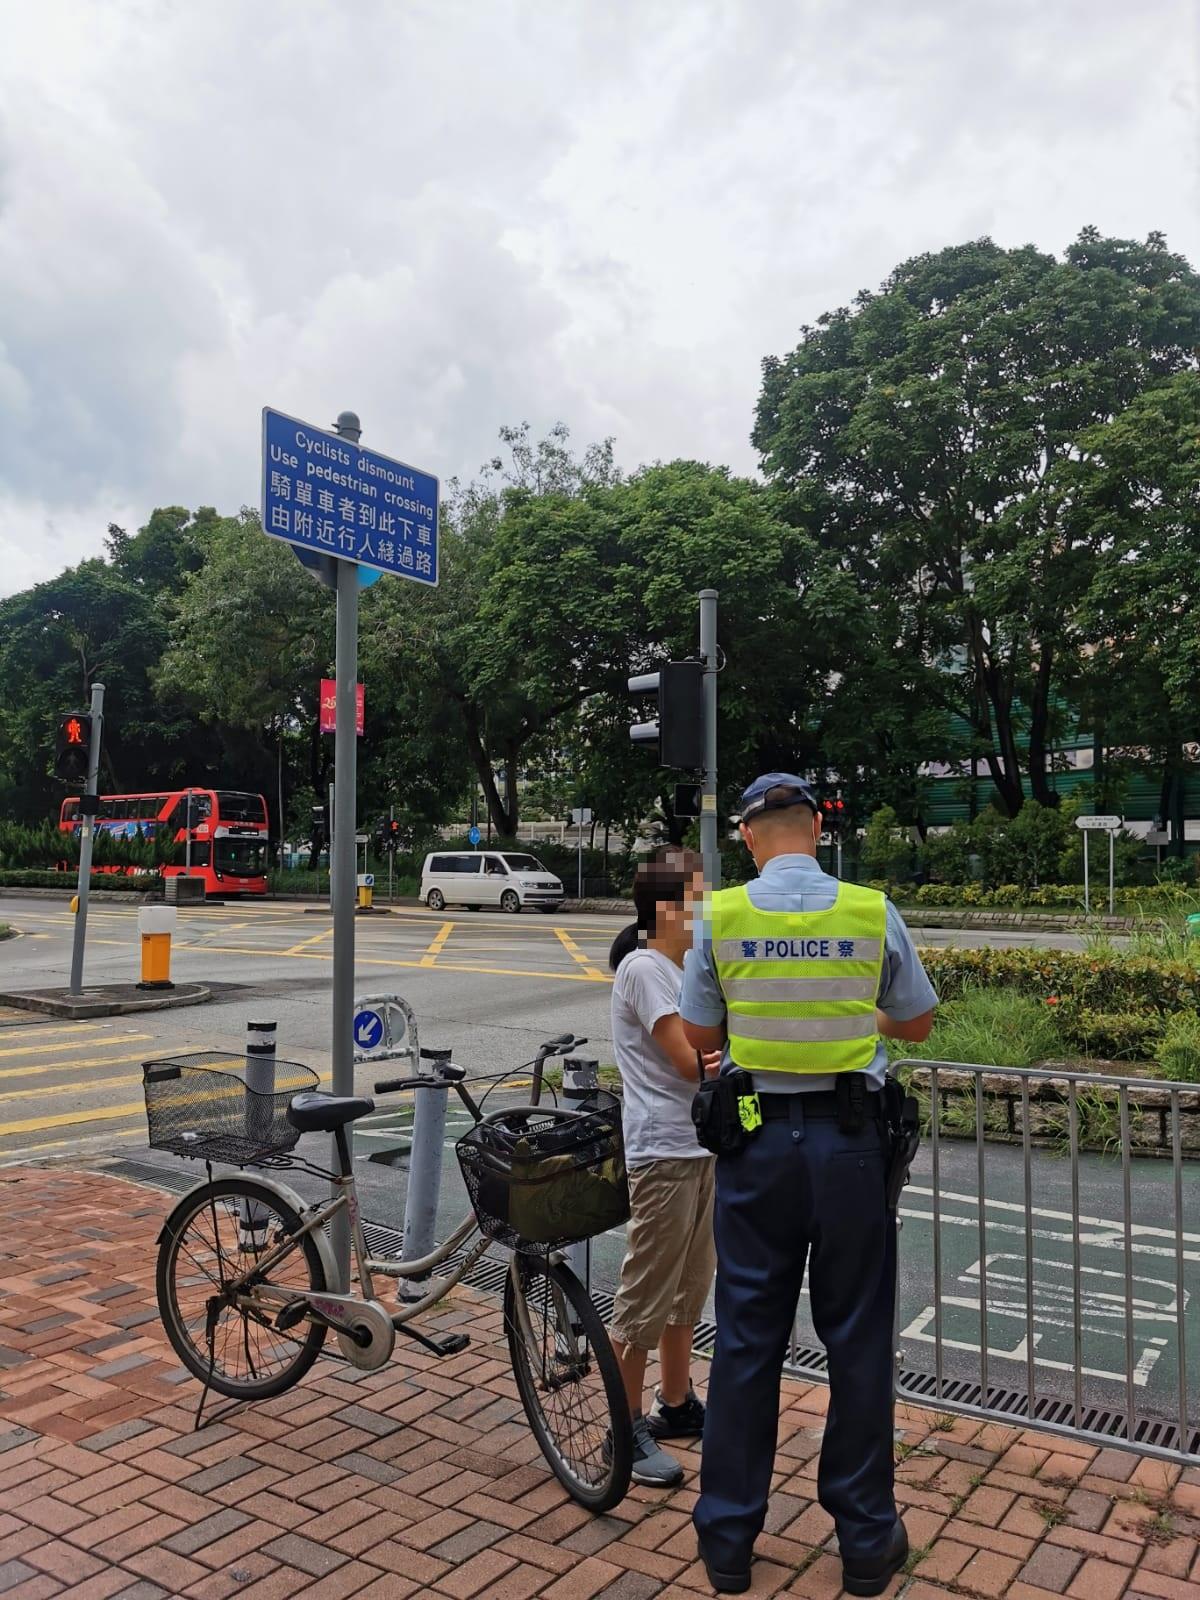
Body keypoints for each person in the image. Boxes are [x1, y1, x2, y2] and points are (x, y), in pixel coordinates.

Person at [681, 775, 937, 1597]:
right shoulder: (869, 908)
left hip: (756, 1147)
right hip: (854, 1147)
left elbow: (700, 1033)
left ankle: (727, 1540)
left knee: (748, 1338)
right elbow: (918, 1018)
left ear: (750, 838)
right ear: (818, 828)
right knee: (858, 1340)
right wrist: (861, 1018)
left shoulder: (720, 913)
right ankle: (865, 1541)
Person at [608, 851, 720, 1487]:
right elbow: (690, 1062)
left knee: (687, 1289)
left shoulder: (682, 967)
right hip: (663, 1153)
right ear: (669, 907)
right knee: (645, 1297)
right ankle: (622, 1430)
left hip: (699, 1149)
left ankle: (675, 1405)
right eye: (699, 897)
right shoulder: (646, 967)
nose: (707, 910)